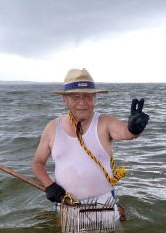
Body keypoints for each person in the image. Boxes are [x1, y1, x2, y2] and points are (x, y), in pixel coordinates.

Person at [31, 68, 150, 220]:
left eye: (88, 97)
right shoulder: (52, 128)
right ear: (65, 100)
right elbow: (37, 163)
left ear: (95, 99)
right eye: (75, 97)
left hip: (105, 205)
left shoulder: (105, 122)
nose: (82, 102)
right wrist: (49, 185)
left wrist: (134, 128)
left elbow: (125, 133)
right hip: (67, 205)